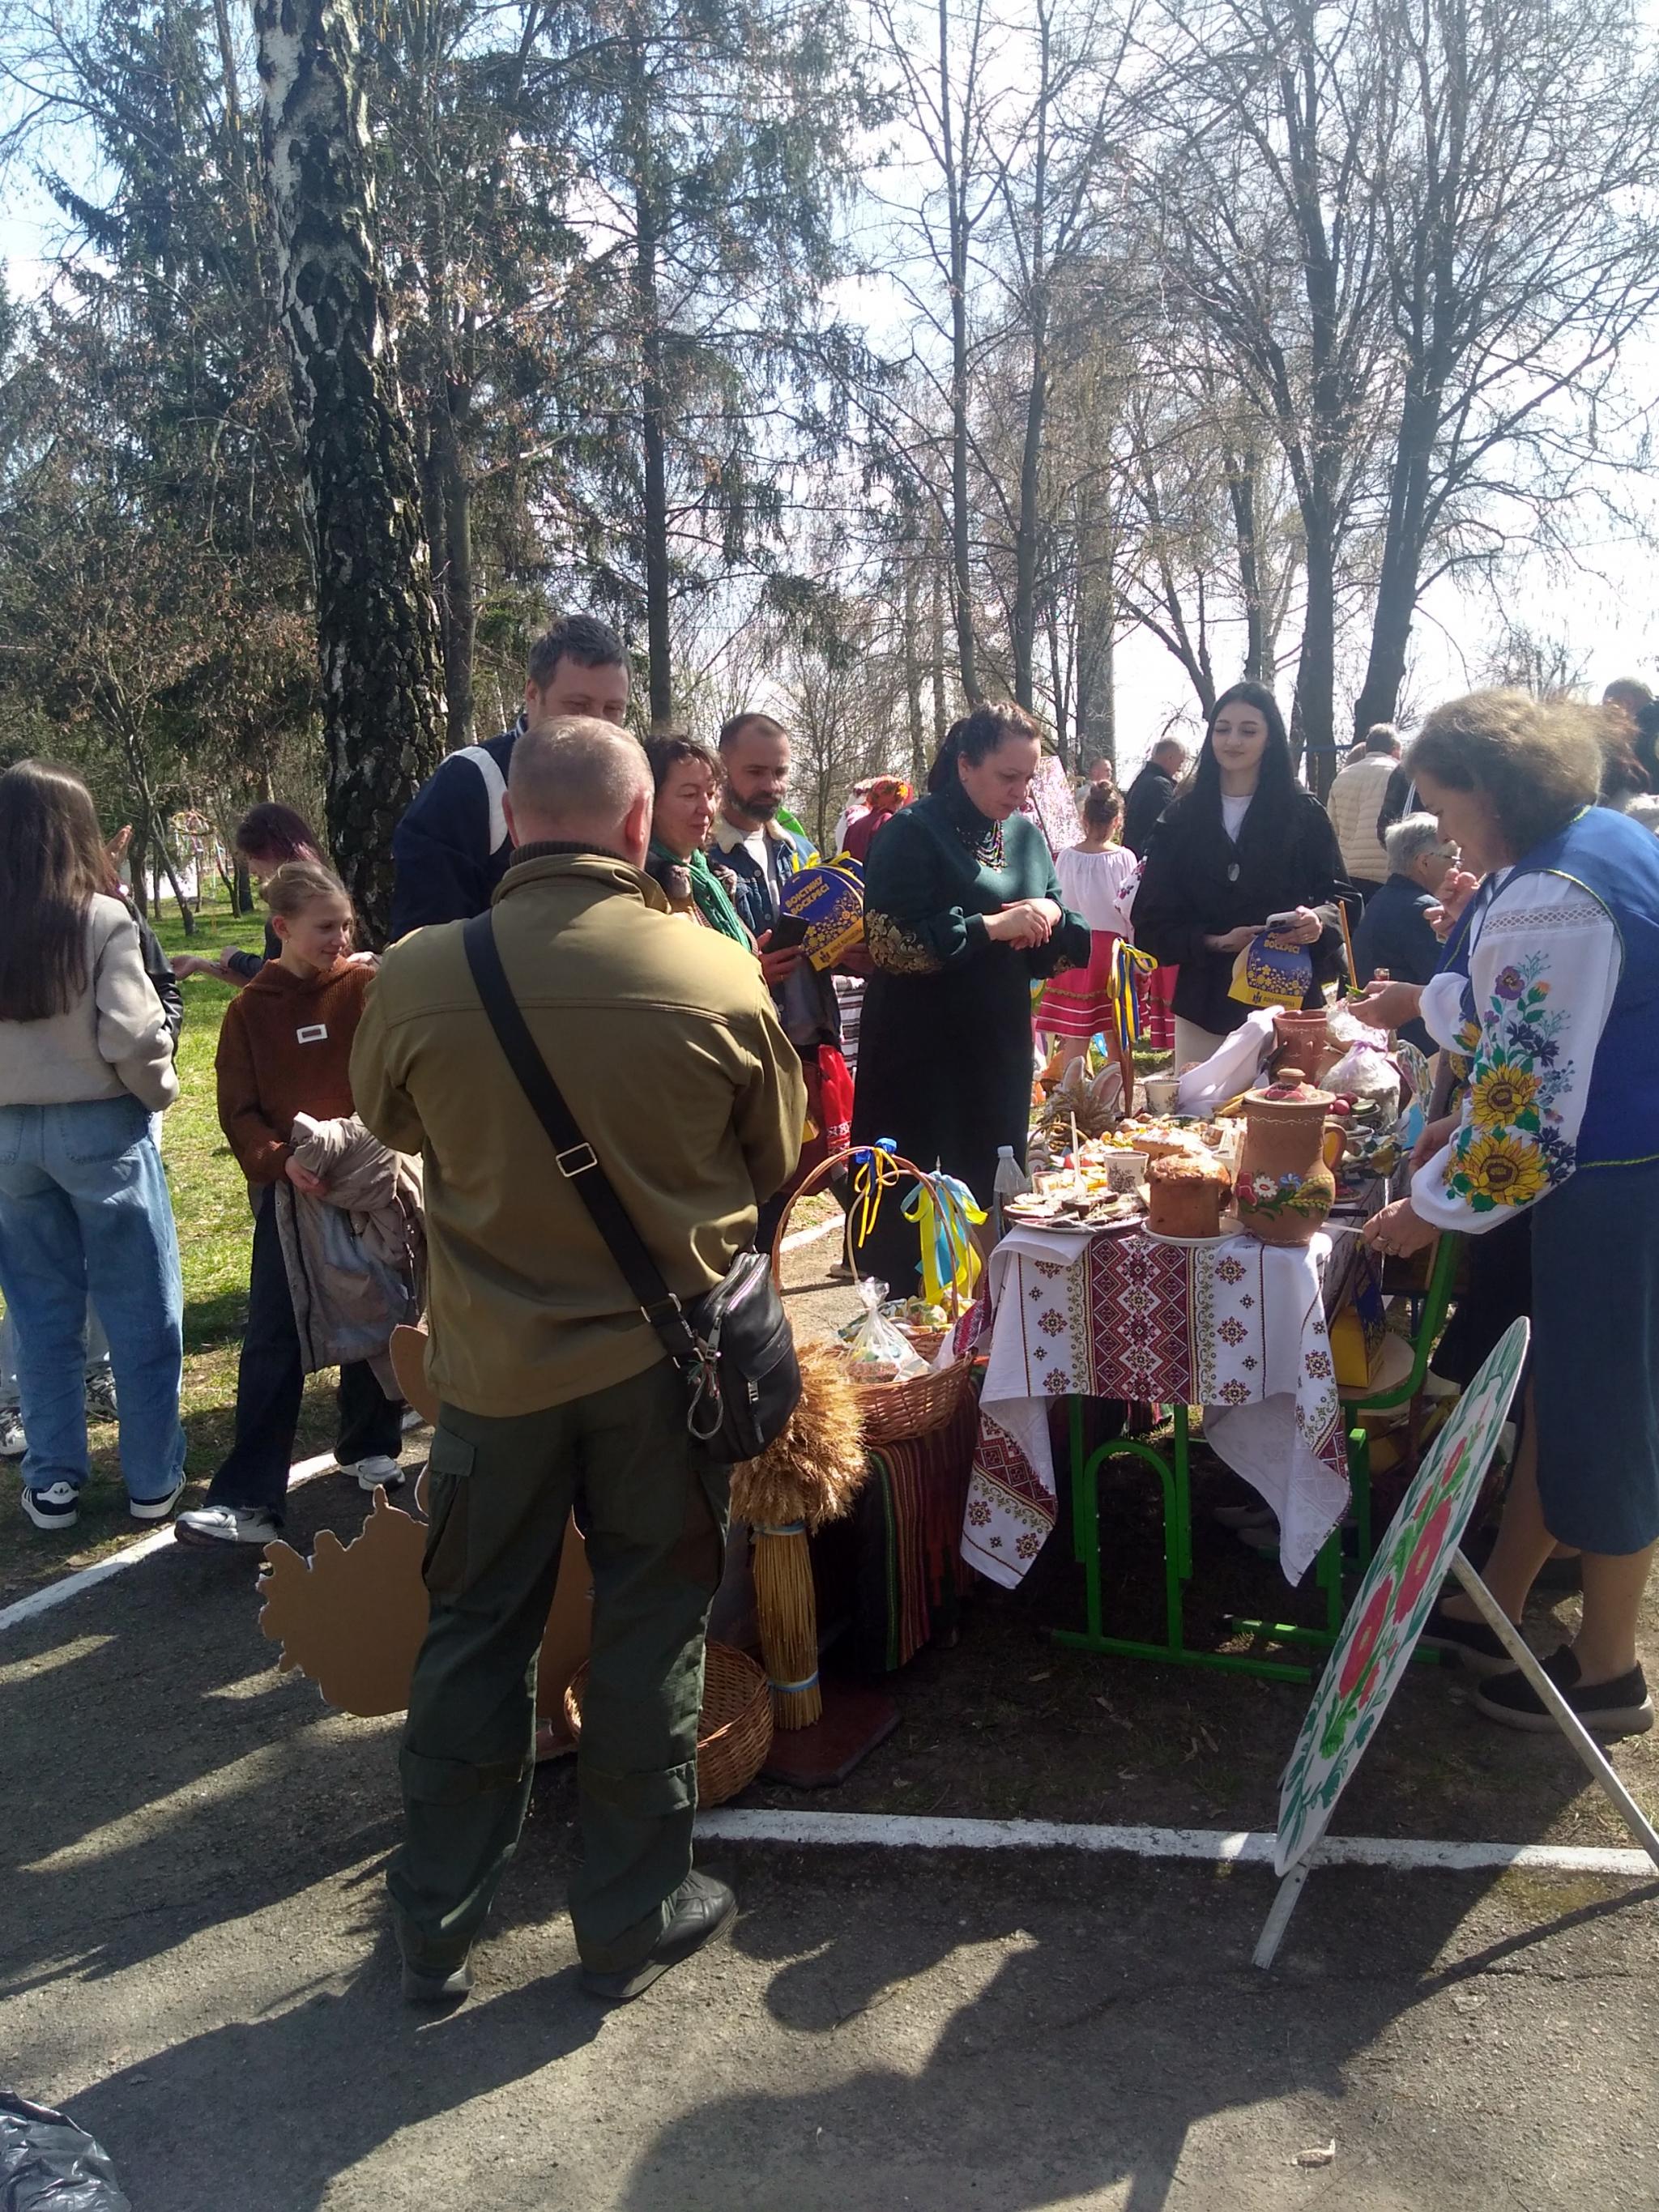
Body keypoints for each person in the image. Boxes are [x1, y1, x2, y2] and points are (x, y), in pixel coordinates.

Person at [349, 714, 804, 2005]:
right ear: (636, 825)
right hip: (669, 1376)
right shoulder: (714, 970)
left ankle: (433, 1919)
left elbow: (390, 1117)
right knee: (652, 1625)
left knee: (474, 1630)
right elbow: (780, 1156)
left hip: (493, 1371)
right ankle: (629, 1909)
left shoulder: (422, 973)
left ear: (510, 826)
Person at [1359, 690, 1659, 1737]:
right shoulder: (1602, 838)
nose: (1445, 834)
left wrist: (1427, 1210)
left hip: (1622, 1179)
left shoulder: (1553, 894)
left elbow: (1528, 1111)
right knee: (1564, 1396)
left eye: (1447, 805)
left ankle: (1611, 1667)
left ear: (1497, 787)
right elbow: (1540, 1031)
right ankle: (1500, 1601)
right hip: (1618, 1164)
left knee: (1607, 1416)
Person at [176, 862, 407, 1549]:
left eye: (345, 925)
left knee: (385, 1307)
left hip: (371, 1179)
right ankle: (249, 1499)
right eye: (324, 927)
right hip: (292, 1196)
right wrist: (280, 1161)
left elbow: (402, 1072)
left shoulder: (367, 988)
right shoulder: (251, 1009)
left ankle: (371, 1439)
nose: (340, 939)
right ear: (281, 928)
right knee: (274, 1335)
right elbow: (238, 1109)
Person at [0, 761, 185, 1532]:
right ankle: (150, 1477)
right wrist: (159, 1094)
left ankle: (53, 1480)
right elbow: (135, 1035)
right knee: (141, 1305)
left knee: (40, 1312)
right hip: (100, 1125)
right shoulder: (103, 918)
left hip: (8, 1137)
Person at [850, 702, 1090, 1289]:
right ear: (964, 765)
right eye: (1008, 776)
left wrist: (1052, 913)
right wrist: (990, 926)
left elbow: (1054, 923)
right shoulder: (912, 831)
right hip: (918, 1053)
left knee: (994, 1187)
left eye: (1029, 777)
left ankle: (993, 1338)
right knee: (907, 1203)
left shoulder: (1028, 836)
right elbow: (890, 943)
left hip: (996, 1047)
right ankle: (909, 1347)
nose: (1021, 791)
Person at [1131, 683, 1346, 1067]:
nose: (1233, 741)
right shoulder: (1180, 818)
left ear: (1270, 739)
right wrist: (1215, 942)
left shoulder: (1304, 813)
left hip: (1289, 1006)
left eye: (1248, 730)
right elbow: (1150, 920)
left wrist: (1318, 923)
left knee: (1287, 1117)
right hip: (1205, 1003)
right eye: (1222, 728)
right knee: (1198, 1121)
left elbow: (1341, 900)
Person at [389, 614, 631, 937]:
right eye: (578, 705)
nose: (598, 724)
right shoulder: (470, 782)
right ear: (533, 693)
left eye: (613, 710)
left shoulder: (631, 784)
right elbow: (425, 943)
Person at [713, 712, 850, 1245]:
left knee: (822, 1181)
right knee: (757, 1210)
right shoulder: (701, 859)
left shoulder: (797, 851)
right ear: (722, 766)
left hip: (810, 1048)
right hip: (747, 1055)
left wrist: (847, 946)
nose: (770, 785)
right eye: (755, 771)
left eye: (780, 772)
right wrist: (748, 972)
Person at [1036, 782, 1141, 1087]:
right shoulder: (1124, 858)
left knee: (1076, 1033)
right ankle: (1119, 1097)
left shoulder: (1066, 857)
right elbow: (1130, 911)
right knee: (1115, 1032)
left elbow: (1060, 901)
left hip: (1076, 946)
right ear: (1117, 821)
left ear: (1084, 818)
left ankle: (1070, 1097)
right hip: (1112, 952)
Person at [172, 802, 325, 985]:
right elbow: (266, 985)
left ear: (278, 849)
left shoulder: (311, 905)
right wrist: (200, 964)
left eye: (254, 857)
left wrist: (238, 959)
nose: (251, 868)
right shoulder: (302, 900)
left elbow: (285, 979)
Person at [1348, 815, 1458, 1051]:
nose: (1456, 869)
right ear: (1424, 862)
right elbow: (1447, 982)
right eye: (1452, 859)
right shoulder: (1422, 908)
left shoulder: (1383, 897)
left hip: (1380, 1033)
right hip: (1413, 1042)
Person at [642, 735, 751, 941]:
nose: (706, 808)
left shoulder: (714, 879)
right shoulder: (642, 887)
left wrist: (756, 963)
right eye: (690, 795)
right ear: (651, 802)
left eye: (710, 794)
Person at [1325, 722, 1401, 902]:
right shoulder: (1398, 774)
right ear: (1396, 750)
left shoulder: (1343, 776)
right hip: (1383, 871)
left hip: (1347, 871)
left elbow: (1332, 829)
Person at [1120, 736, 1187, 858]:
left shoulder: (1140, 781)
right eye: (1180, 762)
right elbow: (1167, 829)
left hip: (1132, 854)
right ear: (1170, 758)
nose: (1180, 768)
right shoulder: (1161, 786)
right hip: (1149, 859)